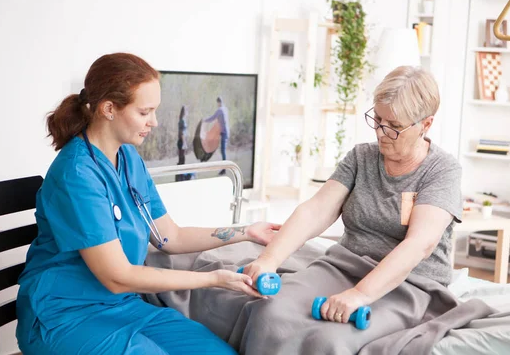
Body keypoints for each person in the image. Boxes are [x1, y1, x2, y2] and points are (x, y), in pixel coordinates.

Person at [15, 53, 280, 355]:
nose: (154, 122)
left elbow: (170, 236)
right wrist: (213, 279)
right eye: (145, 112)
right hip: (65, 315)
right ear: (109, 109)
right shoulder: (76, 174)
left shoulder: (128, 159)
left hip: (124, 306)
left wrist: (247, 231)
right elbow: (117, 277)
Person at [242, 66, 462, 345]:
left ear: (426, 125)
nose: (382, 132)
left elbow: (419, 245)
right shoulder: (362, 157)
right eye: (377, 119)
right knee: (270, 311)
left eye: (394, 126)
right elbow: (315, 211)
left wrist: (360, 294)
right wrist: (268, 261)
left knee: (330, 339)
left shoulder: (442, 171)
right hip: (344, 266)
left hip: (410, 285)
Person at [204, 96, 230, 173]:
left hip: (224, 133)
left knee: (223, 151)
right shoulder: (225, 109)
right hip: (226, 132)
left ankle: (224, 169)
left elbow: (212, 118)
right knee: (223, 150)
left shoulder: (220, 110)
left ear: (218, 102)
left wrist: (204, 120)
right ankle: (224, 168)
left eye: (217, 103)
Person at [176, 105, 193, 182]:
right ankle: (180, 177)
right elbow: (182, 133)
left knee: (182, 159)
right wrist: (184, 143)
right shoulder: (182, 121)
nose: (188, 112)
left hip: (182, 141)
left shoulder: (182, 120)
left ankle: (180, 176)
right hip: (181, 142)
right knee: (182, 160)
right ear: (184, 112)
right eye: (187, 111)